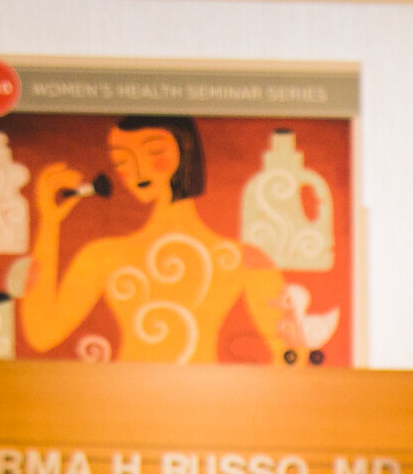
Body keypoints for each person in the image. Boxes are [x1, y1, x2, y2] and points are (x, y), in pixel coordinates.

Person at [20, 115, 293, 365]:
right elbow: (42, 334)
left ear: (187, 153)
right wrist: (49, 224)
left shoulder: (247, 260)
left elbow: (292, 355)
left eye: (154, 152)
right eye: (121, 160)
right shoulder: (104, 255)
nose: (137, 170)